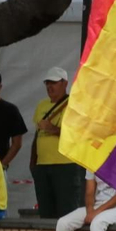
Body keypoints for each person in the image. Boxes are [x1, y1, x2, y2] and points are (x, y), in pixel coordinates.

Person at [30, 67, 86, 220]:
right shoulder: (41, 105)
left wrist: (53, 129)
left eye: (54, 82)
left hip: (66, 165)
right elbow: (37, 135)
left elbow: (79, 134)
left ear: (65, 83)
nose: (50, 86)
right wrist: (33, 161)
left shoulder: (74, 104)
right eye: (47, 83)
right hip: (42, 165)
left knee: (66, 211)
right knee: (45, 211)